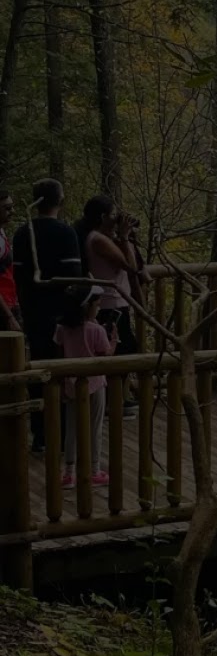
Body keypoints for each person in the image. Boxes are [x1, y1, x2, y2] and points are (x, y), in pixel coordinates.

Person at [13, 179, 82, 453]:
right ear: (60, 201)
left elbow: (19, 276)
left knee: (39, 372)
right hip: (61, 317)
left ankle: (41, 433)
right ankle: (64, 435)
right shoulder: (65, 233)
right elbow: (74, 280)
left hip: (33, 314)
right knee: (64, 376)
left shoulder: (22, 233)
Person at [82, 196, 141, 418]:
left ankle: (116, 398)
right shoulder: (98, 239)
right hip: (110, 304)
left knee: (125, 350)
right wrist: (124, 238)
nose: (117, 219)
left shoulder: (105, 238)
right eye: (114, 214)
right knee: (121, 352)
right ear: (102, 217)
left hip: (116, 301)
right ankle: (111, 401)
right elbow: (130, 267)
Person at [55, 285, 116, 487]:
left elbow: (60, 347)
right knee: (95, 426)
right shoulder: (97, 330)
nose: (99, 308)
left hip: (71, 382)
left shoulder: (62, 328)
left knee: (71, 427)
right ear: (87, 307)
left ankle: (68, 473)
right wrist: (113, 341)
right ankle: (94, 470)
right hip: (95, 383)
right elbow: (105, 355)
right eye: (97, 305)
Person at [0, 190, 20, 331]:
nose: (12, 211)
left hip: (9, 303)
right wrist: (9, 317)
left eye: (12, 207)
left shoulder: (2, 232)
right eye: (7, 208)